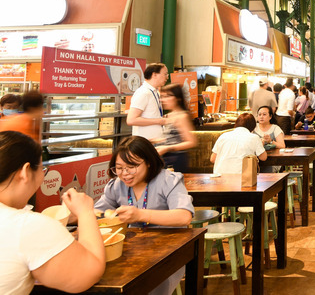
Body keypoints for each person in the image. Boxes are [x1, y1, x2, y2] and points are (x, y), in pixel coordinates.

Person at [0, 131, 105, 294]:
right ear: (25, 172)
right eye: (42, 169)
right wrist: (85, 212)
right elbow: (90, 271)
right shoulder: (27, 226)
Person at [95, 136, 194, 295]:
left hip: (167, 253)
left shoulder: (168, 180)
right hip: (132, 251)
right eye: (119, 168)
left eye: (131, 167)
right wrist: (74, 212)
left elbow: (184, 216)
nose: (125, 174)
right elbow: (98, 213)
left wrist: (140, 215)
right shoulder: (117, 185)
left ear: (148, 162)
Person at [155, 84, 197, 172]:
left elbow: (191, 142)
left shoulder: (182, 116)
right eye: (162, 96)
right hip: (166, 159)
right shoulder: (169, 115)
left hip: (177, 160)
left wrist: (167, 148)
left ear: (178, 98)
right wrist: (154, 141)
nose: (162, 100)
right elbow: (172, 137)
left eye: (167, 96)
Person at [126, 63, 169, 141]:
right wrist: (159, 121)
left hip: (156, 141)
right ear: (154, 75)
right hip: (145, 142)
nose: (167, 77)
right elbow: (131, 120)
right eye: (165, 74)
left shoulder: (155, 92)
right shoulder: (143, 92)